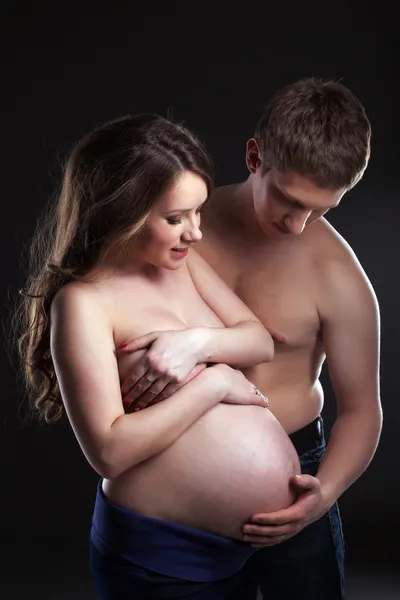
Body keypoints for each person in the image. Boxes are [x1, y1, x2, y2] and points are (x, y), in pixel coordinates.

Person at [15, 113, 304, 599]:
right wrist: (215, 385)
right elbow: (108, 452)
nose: (194, 233)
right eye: (175, 219)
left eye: (199, 213)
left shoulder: (181, 265)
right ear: (121, 212)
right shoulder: (85, 303)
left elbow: (258, 341)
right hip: (161, 553)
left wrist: (195, 344)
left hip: (241, 549)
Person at [120, 78, 383, 599]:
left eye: (322, 209)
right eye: (288, 199)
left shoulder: (339, 277)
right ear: (255, 155)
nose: (299, 223)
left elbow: (362, 411)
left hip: (293, 482)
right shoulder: (174, 233)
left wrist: (322, 495)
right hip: (173, 478)